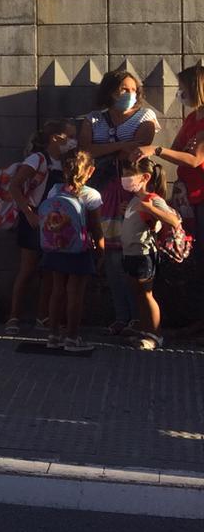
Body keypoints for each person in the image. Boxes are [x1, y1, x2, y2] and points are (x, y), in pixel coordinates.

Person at [79, 68, 158, 335]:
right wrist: (119, 146)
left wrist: (110, 148)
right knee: (110, 255)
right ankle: (121, 316)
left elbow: (141, 146)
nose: (129, 93)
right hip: (101, 194)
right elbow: (86, 149)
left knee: (133, 253)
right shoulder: (92, 118)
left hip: (131, 192)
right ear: (110, 91)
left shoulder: (146, 116)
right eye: (123, 89)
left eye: (133, 89)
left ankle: (139, 318)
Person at [141, 63, 204, 337]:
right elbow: (178, 149)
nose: (179, 92)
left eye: (183, 87)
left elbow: (194, 158)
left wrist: (156, 149)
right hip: (192, 198)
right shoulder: (193, 119)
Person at [3, 119, 75, 335]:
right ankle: (13, 316)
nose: (73, 141)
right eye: (69, 136)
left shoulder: (64, 162)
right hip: (34, 220)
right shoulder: (37, 159)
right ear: (56, 138)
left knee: (51, 272)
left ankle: (43, 316)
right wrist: (29, 214)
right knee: (28, 269)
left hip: (55, 222)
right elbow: (15, 186)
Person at [37, 148, 104, 354]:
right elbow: (96, 228)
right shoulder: (91, 195)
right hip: (79, 251)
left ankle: (53, 335)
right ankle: (72, 338)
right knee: (75, 293)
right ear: (90, 171)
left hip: (56, 247)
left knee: (57, 291)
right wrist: (101, 253)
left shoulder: (55, 190)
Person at [117, 155, 180, 350]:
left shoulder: (153, 199)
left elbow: (174, 220)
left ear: (144, 177)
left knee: (147, 294)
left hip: (145, 255)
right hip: (130, 254)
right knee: (137, 293)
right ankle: (144, 329)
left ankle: (155, 334)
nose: (125, 178)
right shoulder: (135, 199)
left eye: (129, 174)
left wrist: (151, 209)